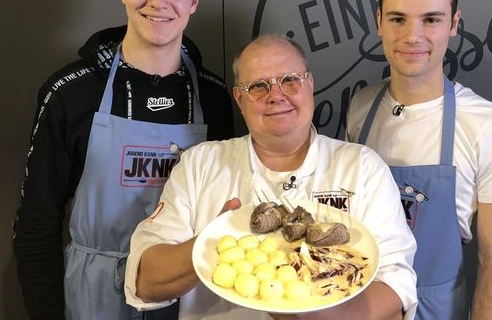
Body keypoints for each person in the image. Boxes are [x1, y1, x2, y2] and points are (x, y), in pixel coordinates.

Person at [124, 34, 418, 319]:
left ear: (310, 84)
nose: (276, 96)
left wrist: (314, 317)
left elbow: (396, 288)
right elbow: (145, 282)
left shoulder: (362, 168)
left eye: (290, 80)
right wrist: (211, 242)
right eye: (258, 86)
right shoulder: (199, 165)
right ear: (239, 99)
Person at [12, 0, 234, 319]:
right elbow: (36, 223)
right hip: (93, 297)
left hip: (187, 293)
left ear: (194, 0)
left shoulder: (215, 97)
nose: (158, 1)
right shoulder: (70, 93)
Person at [346, 0, 492, 319]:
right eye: (398, 18)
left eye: (431, 19)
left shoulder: (491, 128)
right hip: (362, 303)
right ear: (379, 21)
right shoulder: (360, 108)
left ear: (454, 24)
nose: (413, 36)